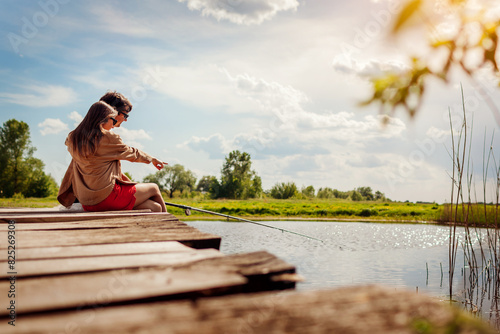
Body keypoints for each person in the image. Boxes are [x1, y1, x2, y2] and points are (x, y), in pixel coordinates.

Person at [57, 101, 167, 212]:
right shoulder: (107, 137)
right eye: (113, 120)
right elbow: (132, 153)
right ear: (102, 119)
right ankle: (169, 227)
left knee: (154, 207)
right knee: (154, 188)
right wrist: (152, 159)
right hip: (107, 197)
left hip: (87, 202)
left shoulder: (73, 139)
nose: (114, 124)